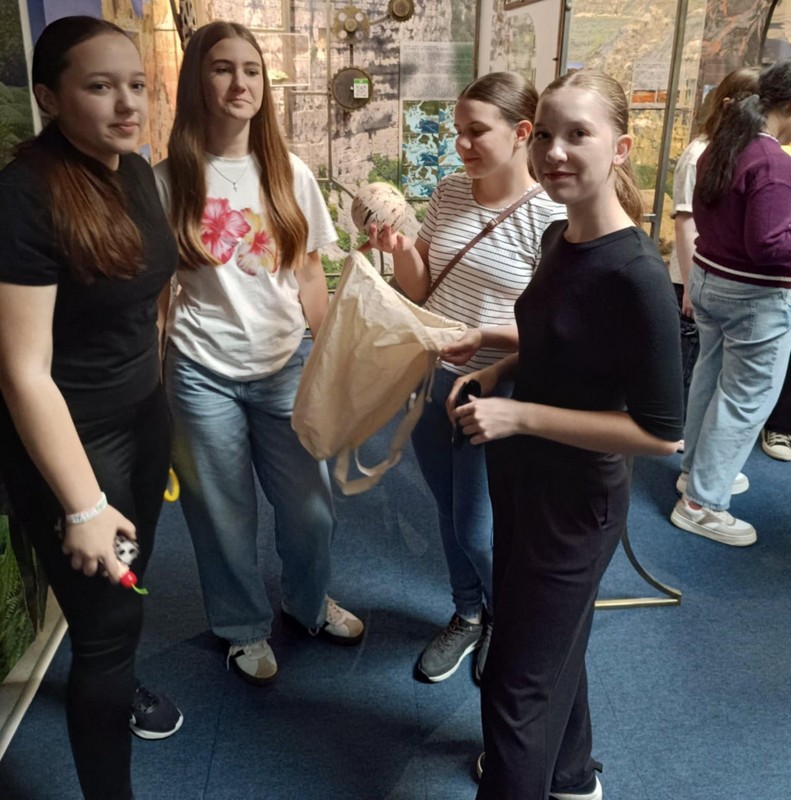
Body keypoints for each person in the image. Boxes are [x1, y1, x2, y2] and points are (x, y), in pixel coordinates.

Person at [451, 69, 683, 799]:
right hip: (522, 478)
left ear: (620, 147)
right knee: (555, 640)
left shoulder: (635, 272)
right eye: (546, 133)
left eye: (578, 134)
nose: (554, 151)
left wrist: (519, 414)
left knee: (514, 683)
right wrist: (497, 362)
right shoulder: (558, 235)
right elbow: (556, 339)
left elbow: (659, 434)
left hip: (576, 502)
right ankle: (571, 775)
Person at [0, 16, 182, 800]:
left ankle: (119, 673)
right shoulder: (25, 197)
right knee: (105, 632)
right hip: (75, 443)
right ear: (49, 97)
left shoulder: (131, 169)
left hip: (144, 419)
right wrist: (81, 506)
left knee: (126, 598)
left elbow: (143, 297)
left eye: (135, 85)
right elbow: (22, 371)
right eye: (101, 87)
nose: (127, 104)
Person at [154, 21, 363, 686]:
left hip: (285, 365)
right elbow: (157, 297)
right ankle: (242, 627)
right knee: (222, 516)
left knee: (311, 509)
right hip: (199, 373)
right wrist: (149, 386)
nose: (240, 82)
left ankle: (308, 603)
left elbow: (309, 275)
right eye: (222, 68)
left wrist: (326, 361)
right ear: (197, 80)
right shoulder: (166, 182)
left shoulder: (288, 173)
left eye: (251, 70)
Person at [366, 71, 566, 684]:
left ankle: (507, 618)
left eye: (476, 131)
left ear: (522, 132)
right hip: (434, 378)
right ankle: (468, 612)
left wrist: (484, 338)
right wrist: (400, 249)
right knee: (449, 511)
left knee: (479, 529)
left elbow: (556, 332)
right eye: (458, 131)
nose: (462, 144)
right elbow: (422, 287)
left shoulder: (552, 216)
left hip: (496, 390)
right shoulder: (451, 191)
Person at [670, 59, 791, 547]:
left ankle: (695, 473)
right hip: (753, 295)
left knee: (711, 377)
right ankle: (702, 504)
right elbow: (769, 245)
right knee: (745, 399)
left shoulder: (723, 145)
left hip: (711, 278)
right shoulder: (773, 162)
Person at [669, 67, 759, 431]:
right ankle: (675, 432)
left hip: (714, 279)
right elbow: (685, 222)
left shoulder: (737, 152)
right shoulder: (698, 154)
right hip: (691, 278)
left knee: (707, 365)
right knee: (688, 363)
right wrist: (691, 285)